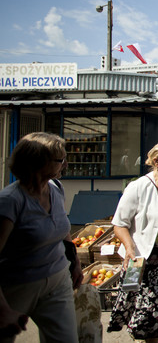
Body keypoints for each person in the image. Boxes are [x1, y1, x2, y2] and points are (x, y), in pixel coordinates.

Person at [0, 132, 83, 342]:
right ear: (38, 162)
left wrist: (75, 262)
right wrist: (2, 309)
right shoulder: (11, 201)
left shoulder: (55, 189)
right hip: (18, 285)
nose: (65, 165)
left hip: (57, 280)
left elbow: (62, 228)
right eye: (60, 160)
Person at [107, 142, 158, 342]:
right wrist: (129, 248)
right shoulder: (138, 187)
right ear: (156, 161)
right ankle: (148, 337)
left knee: (157, 302)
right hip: (143, 258)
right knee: (148, 306)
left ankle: (149, 334)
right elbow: (119, 224)